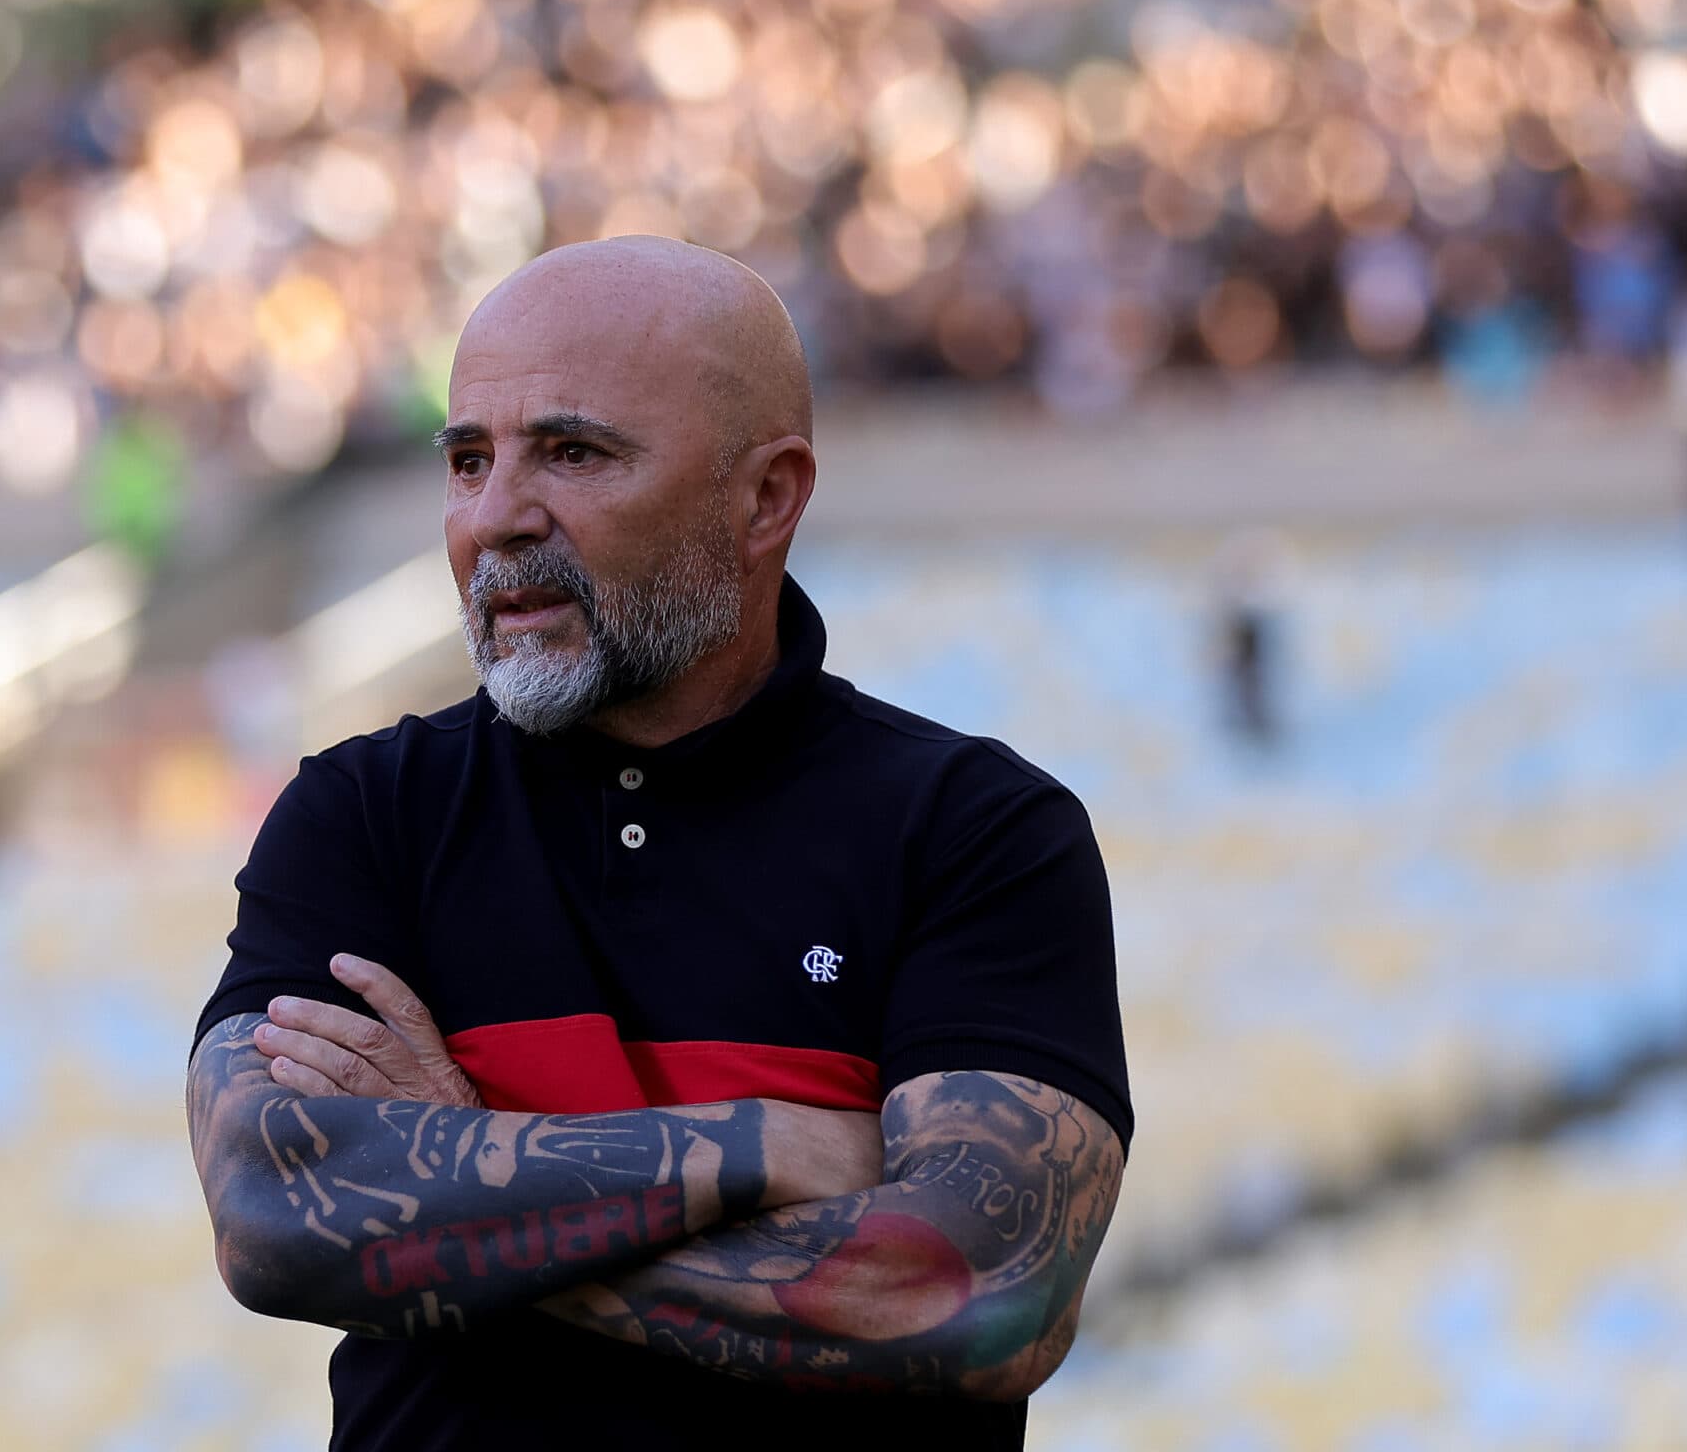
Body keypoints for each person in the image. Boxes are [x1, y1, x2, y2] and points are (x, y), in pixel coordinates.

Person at [184, 237, 1132, 1450]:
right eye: (468, 460)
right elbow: (271, 1220)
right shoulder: (361, 812)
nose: (495, 519)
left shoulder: (976, 831)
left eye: (572, 453)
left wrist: (455, 1175)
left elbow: (980, 1298)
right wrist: (766, 1146)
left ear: (766, 496)